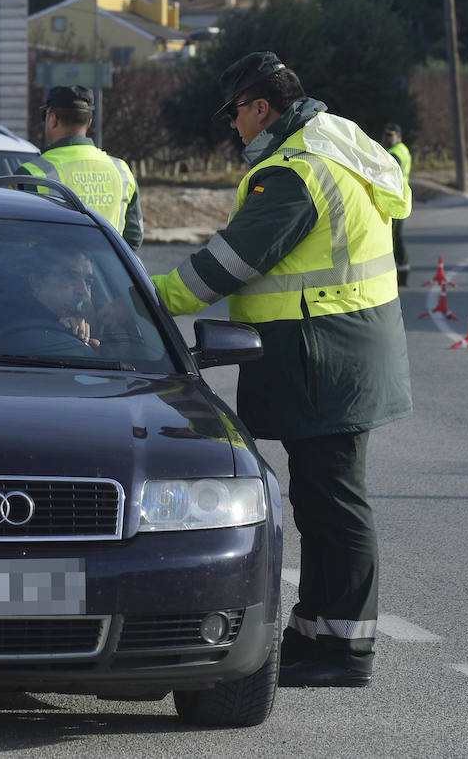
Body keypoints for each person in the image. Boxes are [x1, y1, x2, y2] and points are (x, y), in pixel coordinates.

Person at [150, 51, 412, 688]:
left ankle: (345, 652)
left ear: (261, 108)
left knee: (335, 502)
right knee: (319, 500)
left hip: (326, 351)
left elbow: (224, 267)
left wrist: (142, 301)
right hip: (336, 348)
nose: (233, 127)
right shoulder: (334, 139)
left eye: (235, 113)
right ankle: (314, 632)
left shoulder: (295, 173)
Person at [17, 85, 143, 250]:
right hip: (105, 273)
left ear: (53, 119)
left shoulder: (31, 173)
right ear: (89, 122)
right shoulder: (121, 170)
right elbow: (134, 238)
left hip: (51, 274)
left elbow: (19, 239)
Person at [381, 124, 412, 286]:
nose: (387, 138)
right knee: (397, 237)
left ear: (398, 137)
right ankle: (404, 271)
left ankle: (393, 275)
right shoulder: (403, 149)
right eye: (386, 135)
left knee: (390, 239)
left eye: (390, 135)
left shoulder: (393, 154)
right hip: (400, 199)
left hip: (393, 200)